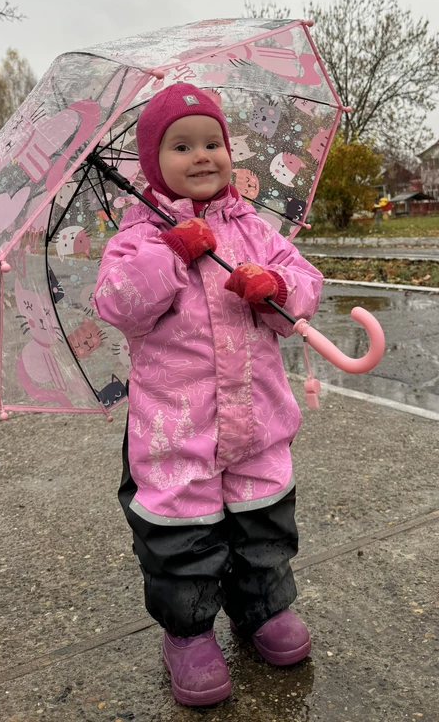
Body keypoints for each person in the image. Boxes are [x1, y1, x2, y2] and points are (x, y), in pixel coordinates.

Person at [94, 83, 323, 707]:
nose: (202, 155)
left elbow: (304, 287)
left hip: (257, 419)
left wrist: (273, 283)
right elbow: (117, 303)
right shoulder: (137, 236)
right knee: (181, 537)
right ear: (152, 163)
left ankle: (263, 610)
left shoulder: (254, 230)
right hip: (178, 430)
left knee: (264, 524)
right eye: (181, 145)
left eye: (212, 142)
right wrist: (169, 255)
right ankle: (189, 632)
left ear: (230, 151)